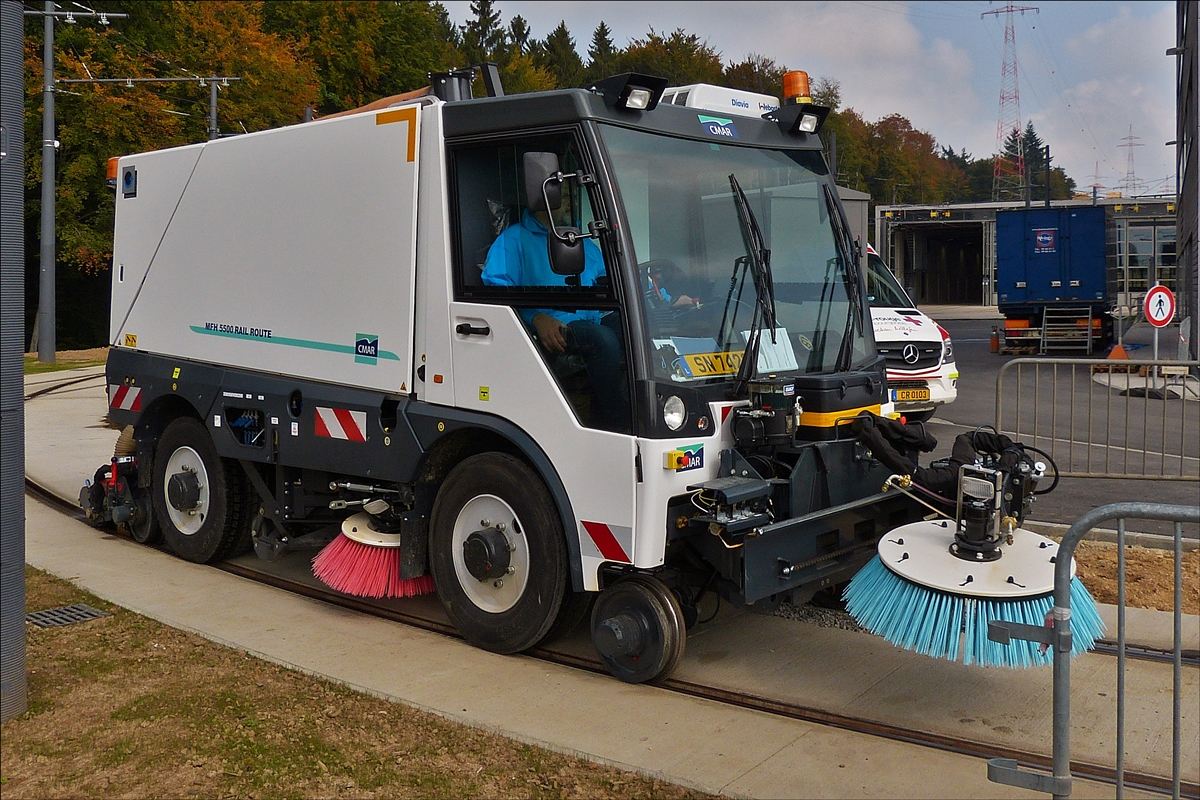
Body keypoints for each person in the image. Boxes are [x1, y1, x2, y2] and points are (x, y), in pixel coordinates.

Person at [481, 190, 628, 432]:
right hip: (556, 325)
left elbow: (609, 281)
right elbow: (497, 294)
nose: (573, 204)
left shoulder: (581, 242)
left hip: (594, 317)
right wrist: (535, 317)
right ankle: (615, 420)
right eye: (566, 198)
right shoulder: (513, 240)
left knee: (636, 327)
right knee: (603, 340)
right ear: (543, 202)